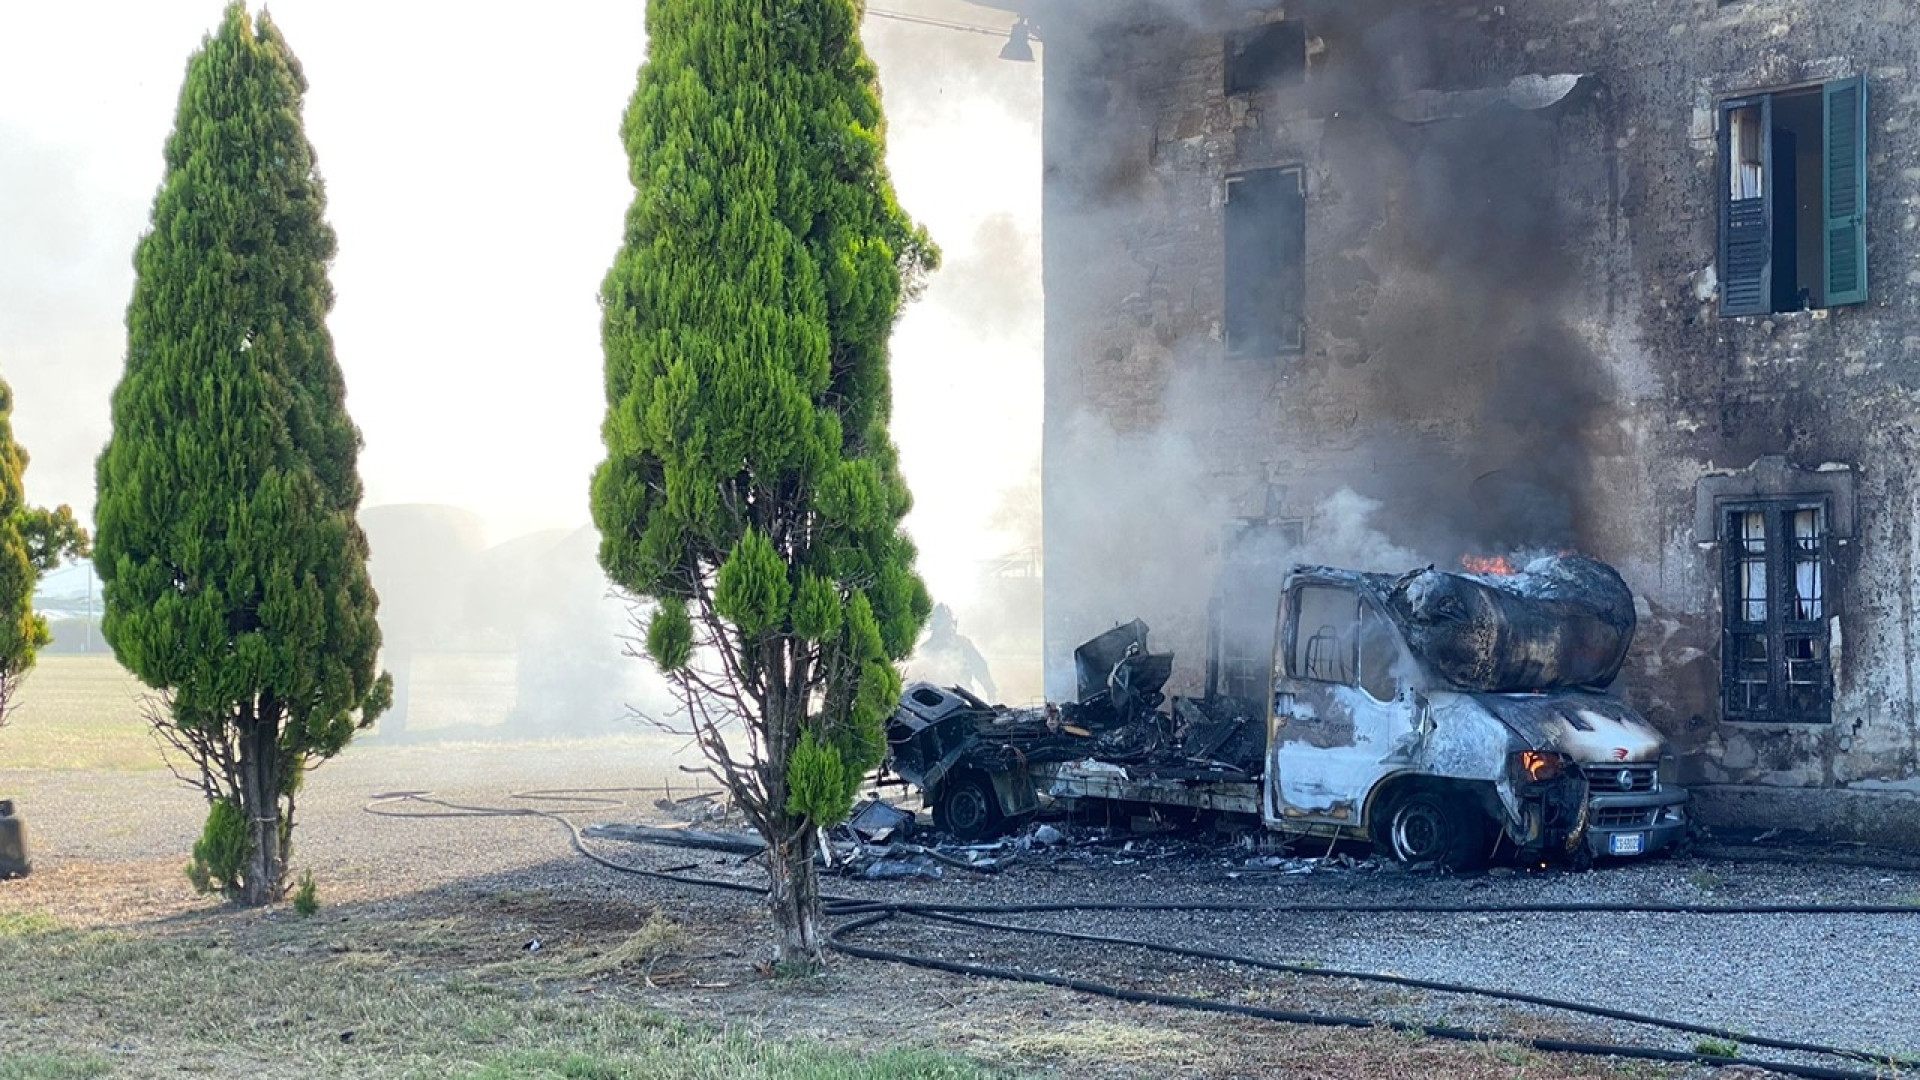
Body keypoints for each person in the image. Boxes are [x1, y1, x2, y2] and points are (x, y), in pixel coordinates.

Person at [907, 604, 998, 700]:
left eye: (949, 624)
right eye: (943, 625)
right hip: (936, 699)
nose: (948, 628)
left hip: (963, 697)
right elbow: (917, 679)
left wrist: (990, 689)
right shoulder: (925, 649)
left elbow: (980, 667)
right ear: (934, 626)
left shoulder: (963, 644)